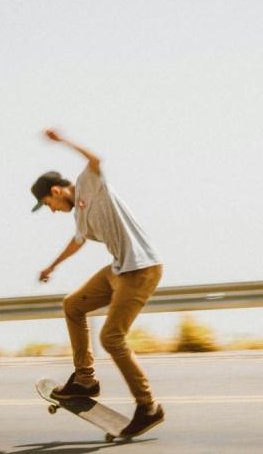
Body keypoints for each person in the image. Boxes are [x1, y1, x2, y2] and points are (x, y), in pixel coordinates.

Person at [31, 128, 165, 438]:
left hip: (141, 269)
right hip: (119, 269)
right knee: (72, 305)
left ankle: (148, 407)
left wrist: (62, 141)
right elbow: (77, 241)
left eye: (48, 204)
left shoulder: (88, 184)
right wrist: (52, 265)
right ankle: (85, 380)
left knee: (112, 338)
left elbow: (95, 159)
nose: (51, 210)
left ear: (55, 191)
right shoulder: (79, 216)